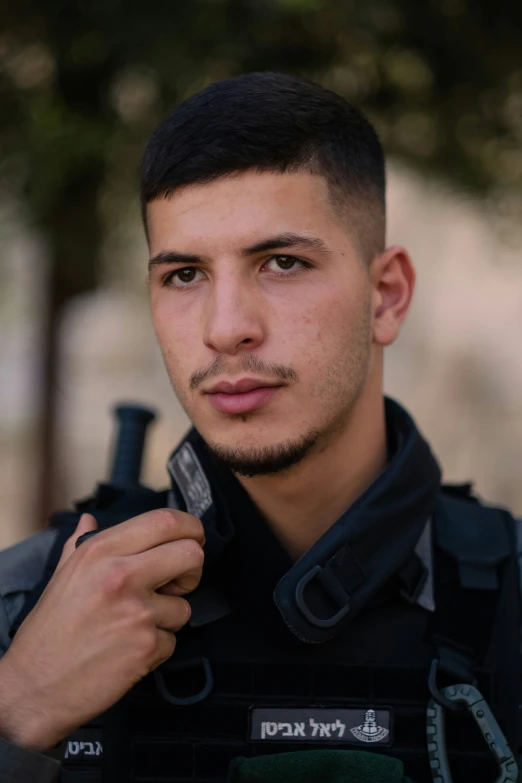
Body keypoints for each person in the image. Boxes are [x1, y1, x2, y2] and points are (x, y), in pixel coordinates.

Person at [0, 72, 520, 783]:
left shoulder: (512, 601)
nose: (226, 329)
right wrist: (19, 711)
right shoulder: (27, 605)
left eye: (282, 263)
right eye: (184, 275)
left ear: (387, 295)